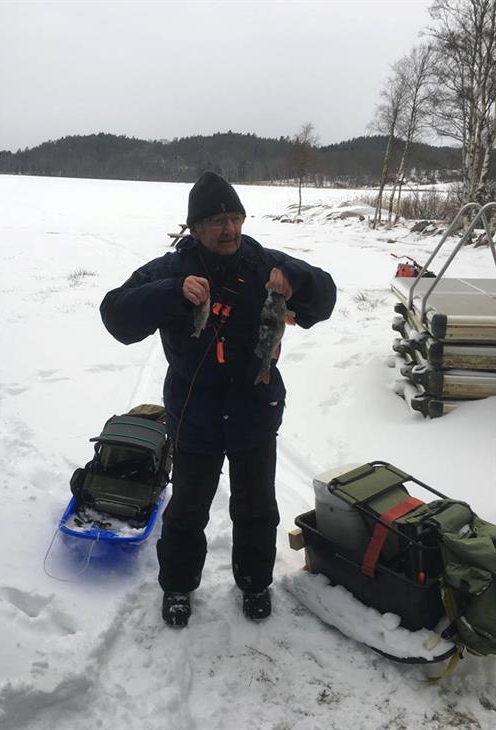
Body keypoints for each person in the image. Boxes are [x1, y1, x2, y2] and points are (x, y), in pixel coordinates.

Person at [100, 172, 336, 628]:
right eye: (216, 221)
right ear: (194, 228)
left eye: (235, 218)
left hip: (255, 408)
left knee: (257, 508)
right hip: (195, 411)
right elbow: (116, 316)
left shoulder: (264, 263)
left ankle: (254, 582)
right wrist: (171, 293)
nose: (229, 229)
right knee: (187, 509)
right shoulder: (171, 270)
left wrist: (297, 280)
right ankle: (177, 586)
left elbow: (324, 298)